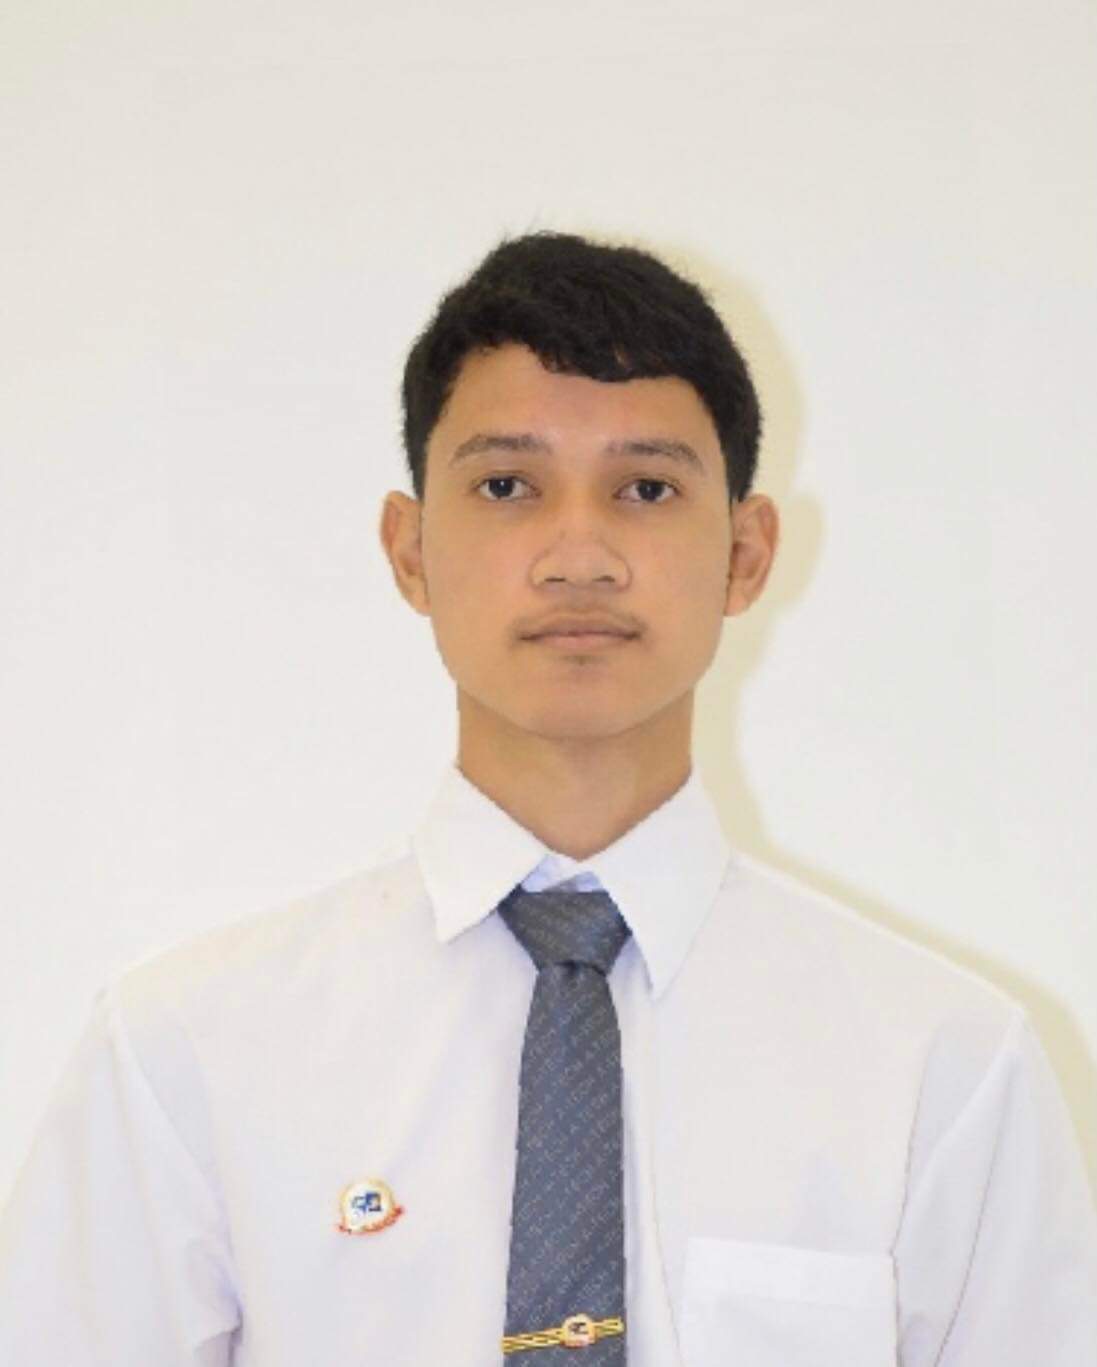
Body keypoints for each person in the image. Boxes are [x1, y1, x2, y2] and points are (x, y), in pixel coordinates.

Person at [1, 230, 1095, 1366]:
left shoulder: (943, 1066)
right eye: (506, 486)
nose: (579, 553)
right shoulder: (187, 1051)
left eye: (646, 487)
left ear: (744, 552)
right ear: (409, 548)